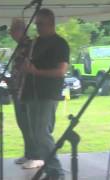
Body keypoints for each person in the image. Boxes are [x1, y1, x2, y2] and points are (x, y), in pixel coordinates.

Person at [22, 8, 69, 180]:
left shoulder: (60, 43)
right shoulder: (36, 43)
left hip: (48, 93)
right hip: (32, 93)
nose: (37, 27)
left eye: (40, 24)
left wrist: (35, 71)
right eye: (36, 24)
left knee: (42, 133)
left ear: (51, 23)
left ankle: (57, 172)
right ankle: (50, 171)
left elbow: (61, 71)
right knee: (35, 135)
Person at [8, 18, 36, 165]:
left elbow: (27, 67)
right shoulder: (19, 46)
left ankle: (34, 155)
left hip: (26, 91)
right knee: (22, 124)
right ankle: (28, 153)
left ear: (21, 30)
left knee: (28, 124)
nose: (10, 33)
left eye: (13, 30)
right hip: (17, 89)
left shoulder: (30, 45)